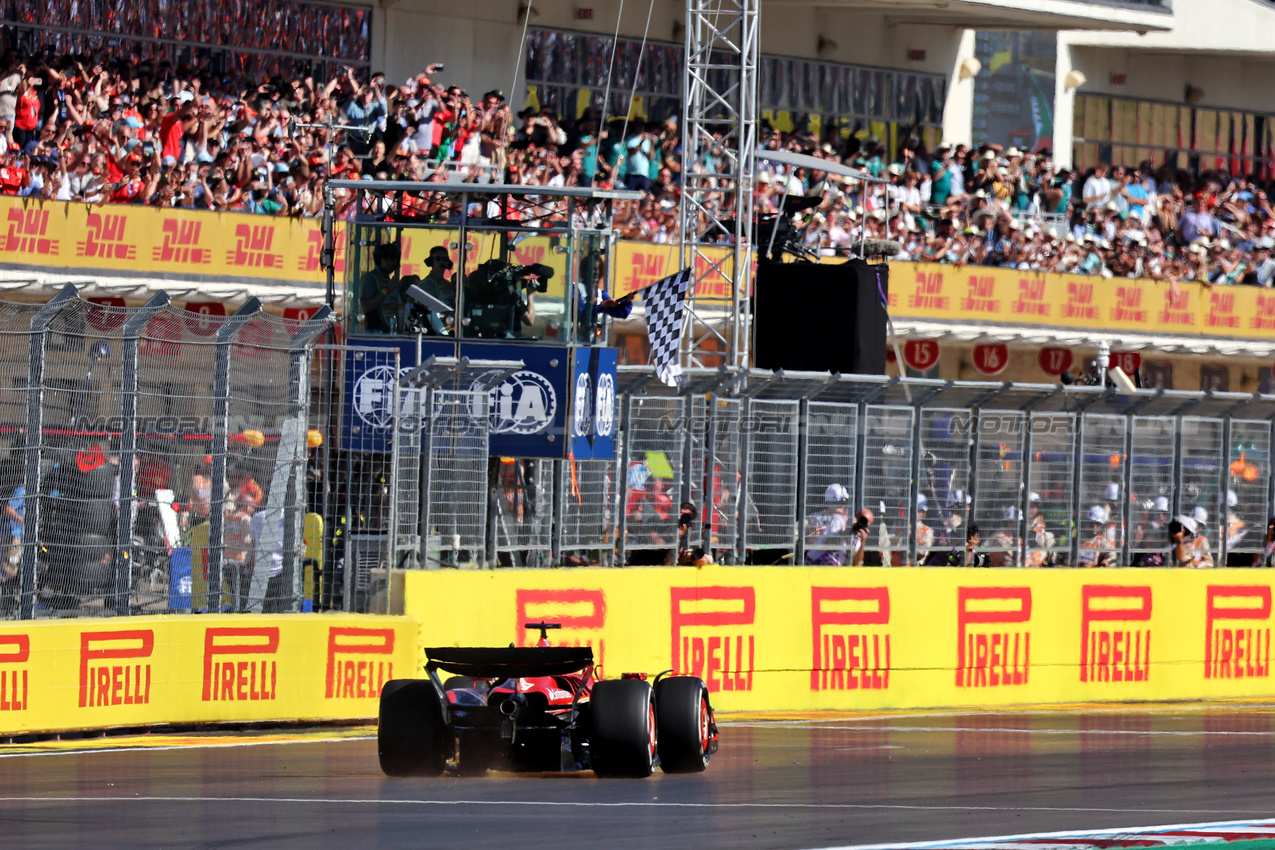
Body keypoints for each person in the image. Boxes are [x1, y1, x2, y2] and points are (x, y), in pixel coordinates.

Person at [359, 242, 405, 333]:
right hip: (375, 332)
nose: (392, 263)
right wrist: (386, 290)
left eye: (394, 260)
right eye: (388, 260)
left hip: (390, 330)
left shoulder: (388, 279)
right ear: (380, 259)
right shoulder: (371, 278)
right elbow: (366, 306)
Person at [805, 484, 851, 566]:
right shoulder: (817, 517)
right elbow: (813, 544)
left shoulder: (848, 519)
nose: (842, 507)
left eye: (843, 503)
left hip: (840, 559)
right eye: (837, 504)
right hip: (819, 559)